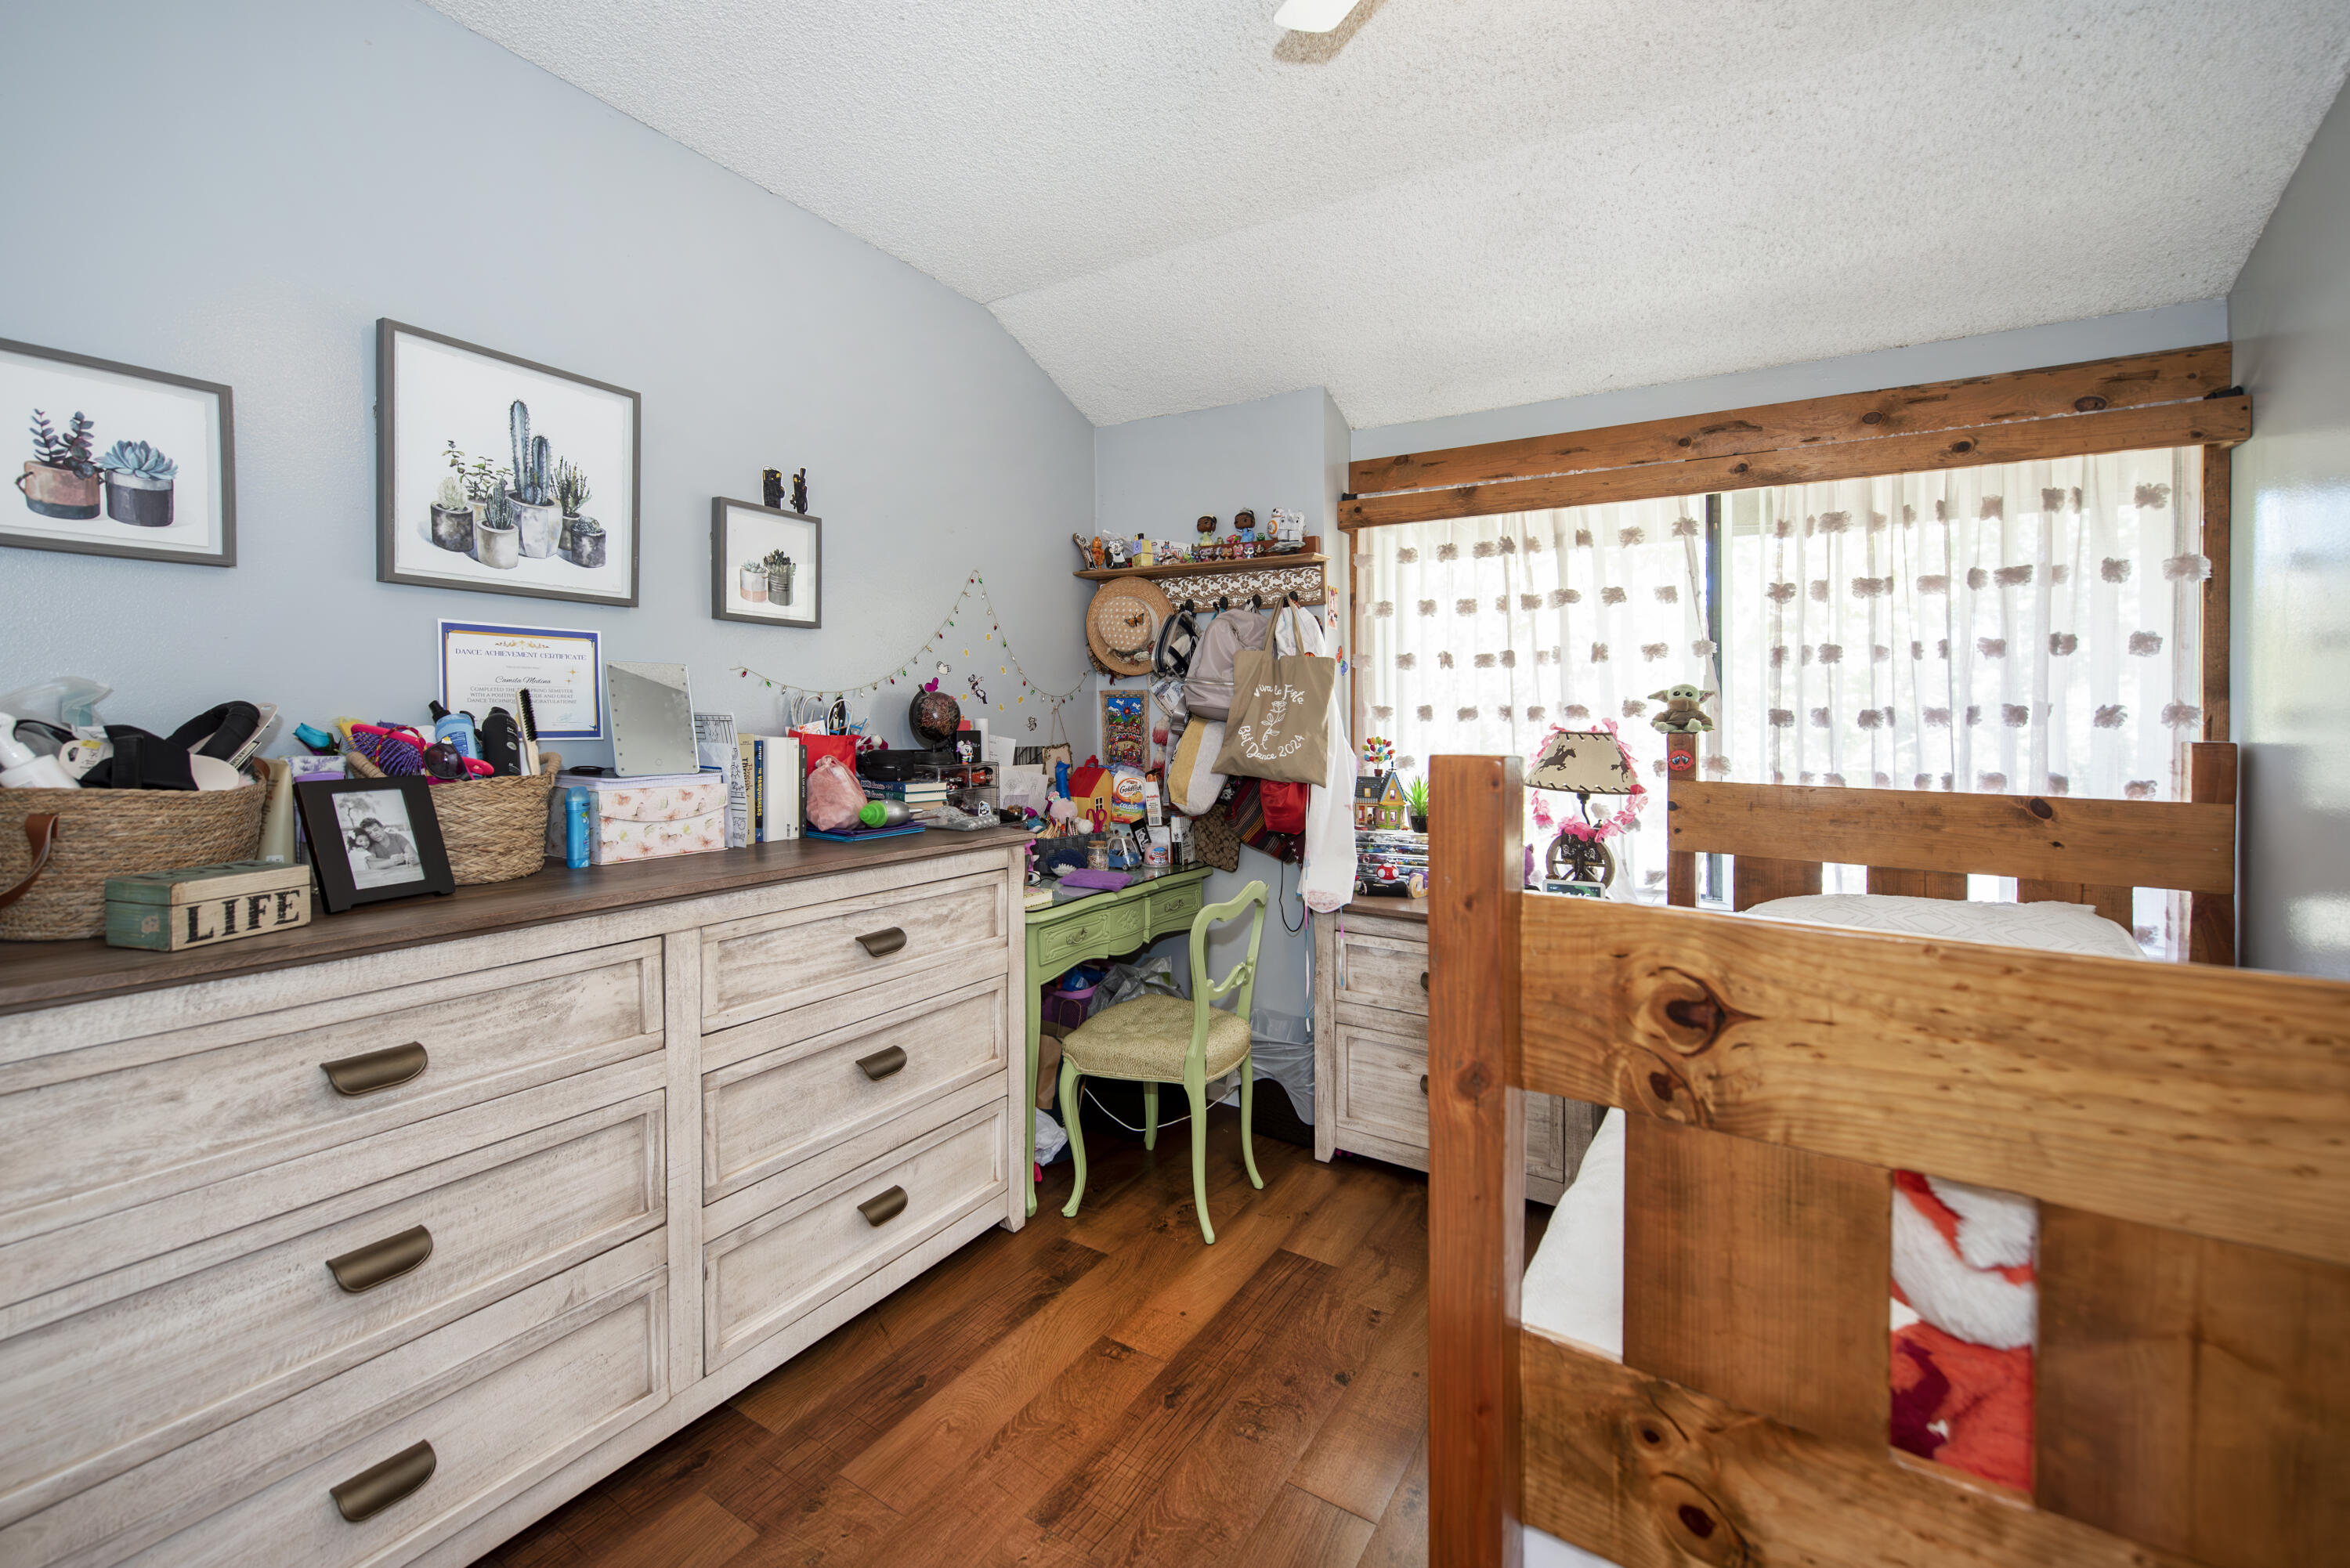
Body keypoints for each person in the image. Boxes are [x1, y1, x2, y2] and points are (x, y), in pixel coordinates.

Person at [354, 818, 418, 872]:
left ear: (382, 828)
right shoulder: (369, 844)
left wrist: (409, 859)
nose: (374, 834)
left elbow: (416, 857)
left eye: (376, 830)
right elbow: (371, 865)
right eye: (369, 833)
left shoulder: (397, 837)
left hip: (406, 871)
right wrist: (391, 862)